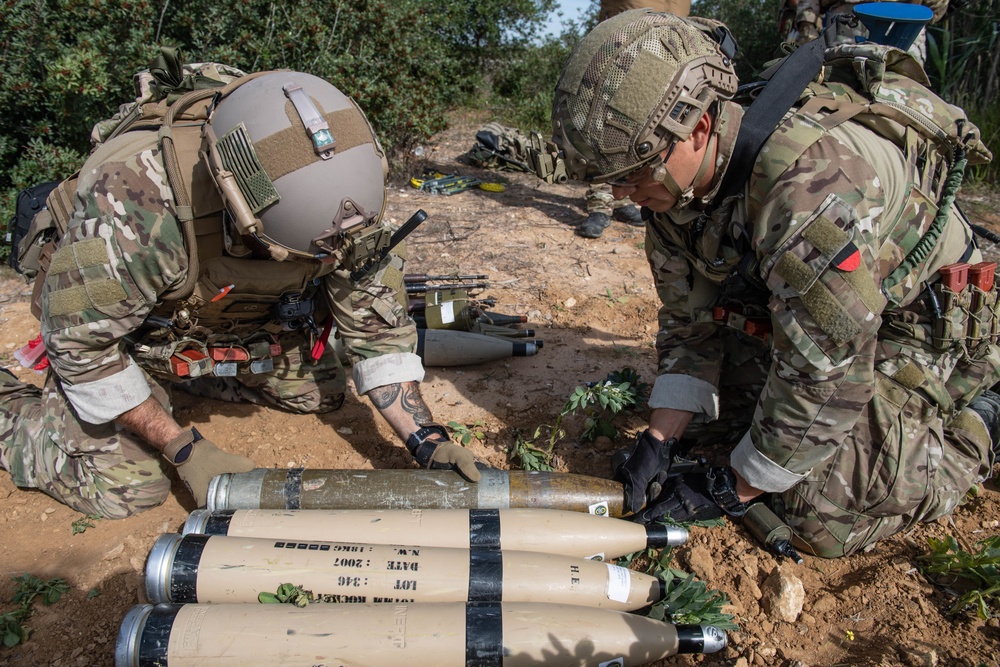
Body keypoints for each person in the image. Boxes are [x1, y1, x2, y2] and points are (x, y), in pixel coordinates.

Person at [550, 9, 998, 557]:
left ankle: (981, 424)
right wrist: (660, 440)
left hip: (922, 321)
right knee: (711, 431)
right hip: (824, 315)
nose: (622, 196)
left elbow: (829, 376)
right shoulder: (674, 192)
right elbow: (688, 326)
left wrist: (733, 488)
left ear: (699, 128)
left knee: (816, 513)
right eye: (610, 181)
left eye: (632, 175)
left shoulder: (807, 196)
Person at [0, 60, 480, 519]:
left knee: (322, 394)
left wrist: (428, 441)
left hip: (223, 319)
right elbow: (81, 346)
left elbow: (377, 334)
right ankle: (13, 412)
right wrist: (181, 446)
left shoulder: (342, 199)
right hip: (126, 335)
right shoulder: (136, 204)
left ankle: (183, 376)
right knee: (129, 488)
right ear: (242, 210)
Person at [577, 0, 694, 239]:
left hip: (671, 26)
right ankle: (601, 201)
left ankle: (623, 198)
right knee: (613, 114)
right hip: (631, 22)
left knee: (649, 114)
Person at [793, 0, 948, 65]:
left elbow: (935, 10)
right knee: (837, 91)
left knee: (904, 95)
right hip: (846, 30)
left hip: (904, 30)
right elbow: (808, 6)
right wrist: (809, 38)